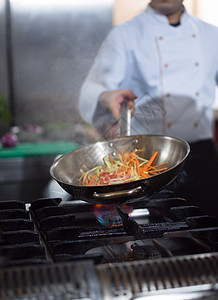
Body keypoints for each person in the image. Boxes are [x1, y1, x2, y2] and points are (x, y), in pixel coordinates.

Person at [78, 0, 218, 218]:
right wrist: (106, 96)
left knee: (208, 233)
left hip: (202, 159)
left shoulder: (212, 35)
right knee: (151, 238)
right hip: (148, 163)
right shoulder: (125, 34)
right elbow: (92, 89)